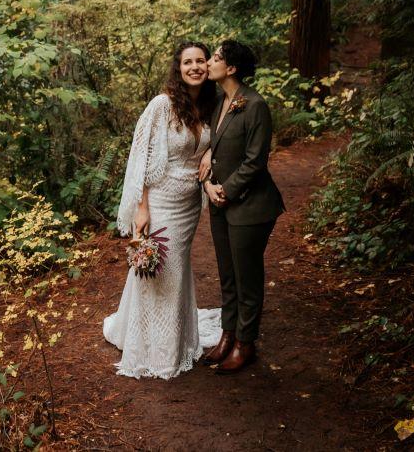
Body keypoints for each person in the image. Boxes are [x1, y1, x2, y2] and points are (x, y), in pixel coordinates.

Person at [103, 42, 222, 379]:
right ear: (178, 68)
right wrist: (142, 209)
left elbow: (218, 140)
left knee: (177, 267)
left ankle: (174, 338)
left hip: (188, 204)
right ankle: (154, 349)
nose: (195, 67)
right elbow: (141, 157)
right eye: (188, 62)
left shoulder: (212, 106)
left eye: (201, 61)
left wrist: (210, 155)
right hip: (161, 198)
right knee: (159, 268)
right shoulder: (162, 105)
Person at [198, 39, 285, 374]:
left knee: (247, 278)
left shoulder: (255, 105)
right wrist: (209, 174)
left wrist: (225, 190)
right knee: (227, 275)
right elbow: (214, 145)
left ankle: (246, 344)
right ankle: (227, 334)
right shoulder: (220, 99)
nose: (209, 63)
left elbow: (255, 162)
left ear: (231, 68)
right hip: (220, 202)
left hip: (251, 207)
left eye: (216, 58)